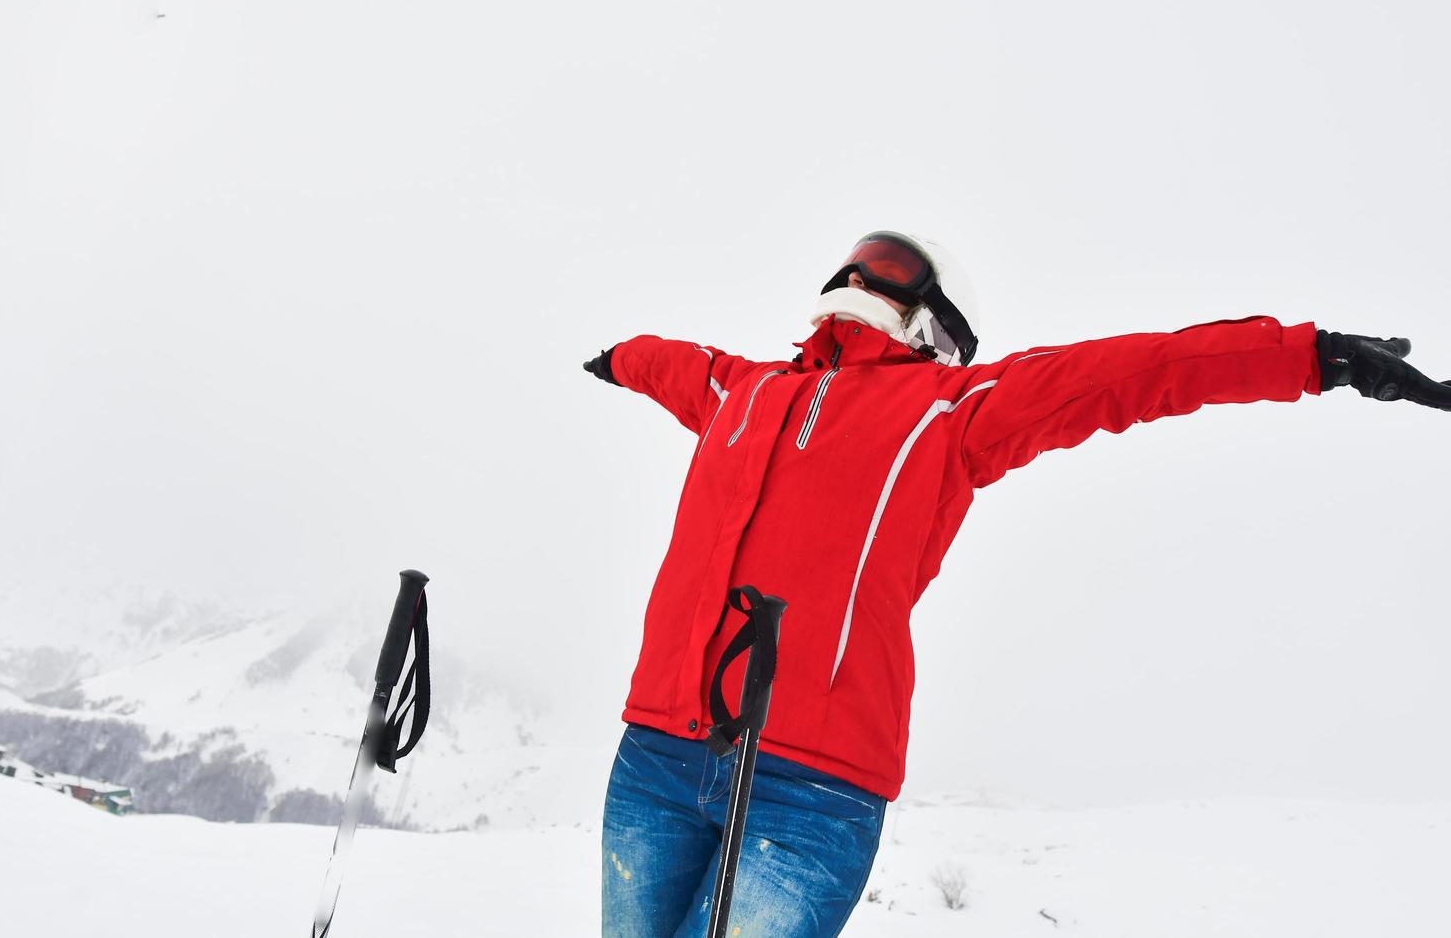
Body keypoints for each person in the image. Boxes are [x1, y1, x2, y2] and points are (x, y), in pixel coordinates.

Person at [583, 230, 1450, 937]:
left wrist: (1311, 356)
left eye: (891, 267)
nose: (862, 272)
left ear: (938, 320)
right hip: (657, 754)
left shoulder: (950, 411)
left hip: (807, 788)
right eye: (861, 257)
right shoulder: (739, 388)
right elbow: (669, 358)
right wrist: (618, 355)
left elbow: (1131, 374)